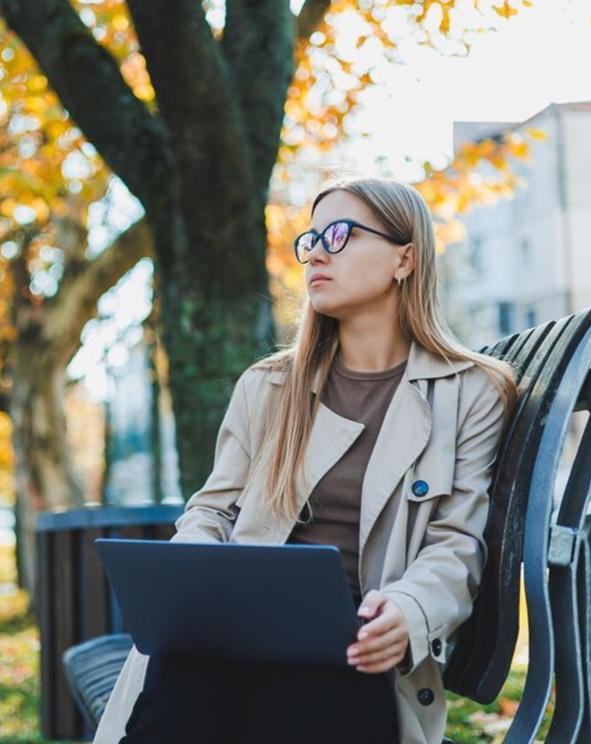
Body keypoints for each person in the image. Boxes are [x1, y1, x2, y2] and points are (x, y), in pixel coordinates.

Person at [94, 175, 518, 744]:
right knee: (185, 678)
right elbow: (213, 510)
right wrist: (194, 573)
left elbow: (457, 541)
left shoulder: (470, 391)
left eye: (340, 234)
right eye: (311, 238)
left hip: (356, 645)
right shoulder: (268, 386)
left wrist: (410, 609)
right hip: (232, 628)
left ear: (405, 258)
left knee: (302, 694)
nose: (316, 251)